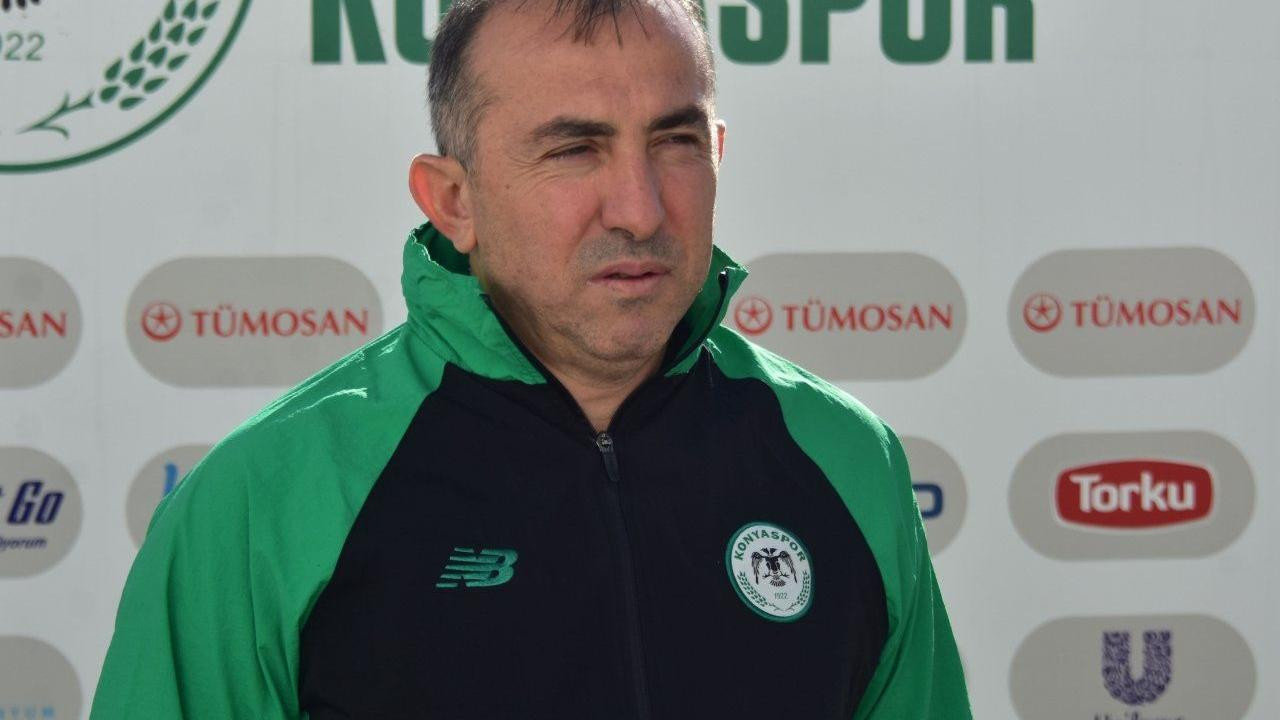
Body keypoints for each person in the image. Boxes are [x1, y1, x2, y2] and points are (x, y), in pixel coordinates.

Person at [90, 0, 971, 715]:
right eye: (574, 150)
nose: (639, 209)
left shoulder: (847, 458)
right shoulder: (263, 501)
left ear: (718, 154)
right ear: (453, 201)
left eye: (675, 142)